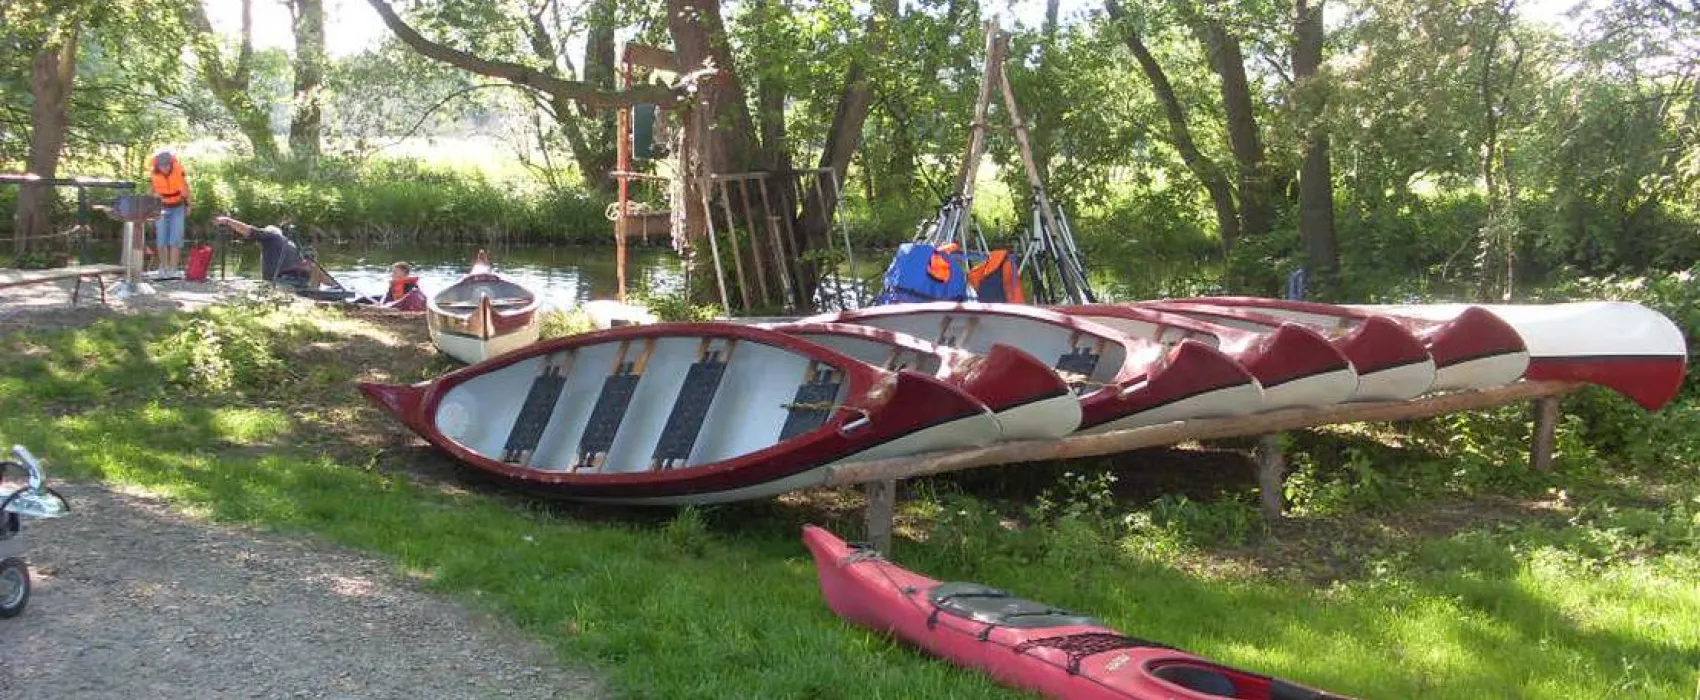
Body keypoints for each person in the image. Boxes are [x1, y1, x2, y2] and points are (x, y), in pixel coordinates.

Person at [212, 214, 331, 289]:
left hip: (288, 278)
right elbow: (303, 265)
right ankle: (335, 289)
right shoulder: (288, 244)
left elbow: (248, 230)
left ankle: (331, 289)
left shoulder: (272, 236)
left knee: (314, 268)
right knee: (315, 269)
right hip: (286, 279)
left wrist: (228, 221)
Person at [149, 150, 190, 278]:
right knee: (161, 240)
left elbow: (186, 189)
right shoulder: (155, 175)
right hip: (161, 208)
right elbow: (152, 190)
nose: (165, 168)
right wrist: (149, 206)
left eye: (167, 165)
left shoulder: (179, 173)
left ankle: (173, 269)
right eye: (162, 165)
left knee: (175, 240)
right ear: (158, 166)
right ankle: (164, 267)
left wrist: (188, 205)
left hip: (178, 208)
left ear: (171, 164)